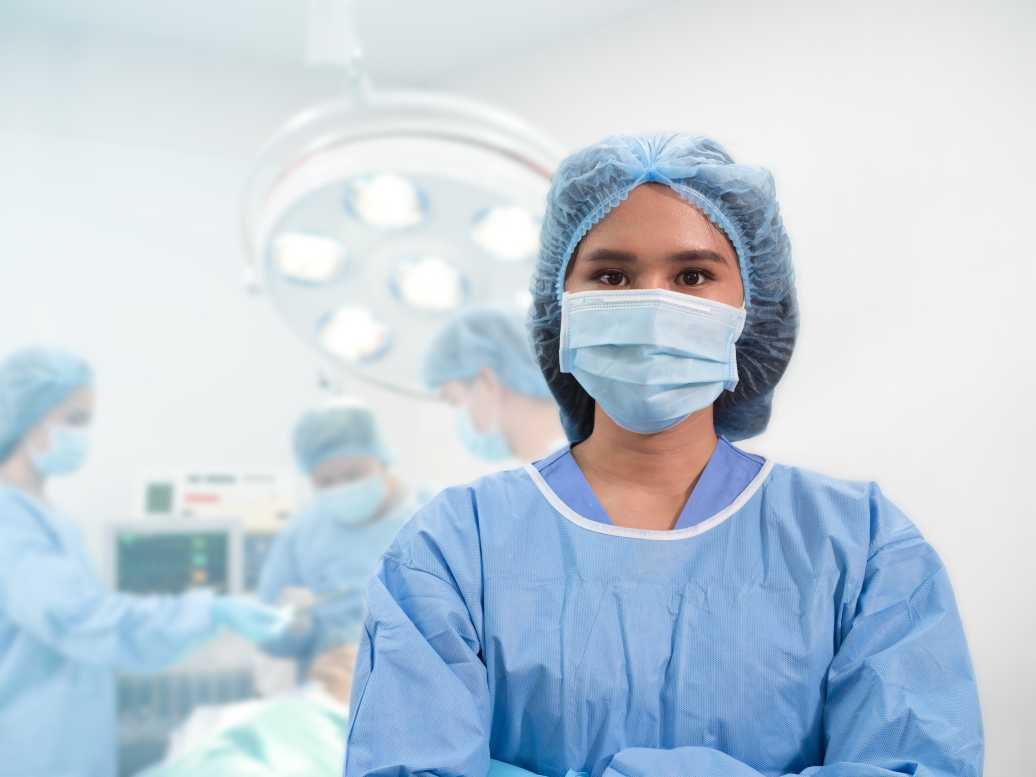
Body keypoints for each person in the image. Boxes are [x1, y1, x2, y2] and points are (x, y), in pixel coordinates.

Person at [343, 135, 984, 777]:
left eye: (693, 276)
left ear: (750, 306)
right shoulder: (455, 548)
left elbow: (915, 763)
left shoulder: (860, 546)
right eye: (612, 275)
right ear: (561, 307)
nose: (654, 303)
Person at [0, 347, 289, 777]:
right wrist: (210, 610)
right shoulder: (10, 520)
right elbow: (84, 619)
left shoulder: (47, 517)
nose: (83, 435)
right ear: (28, 417)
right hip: (31, 746)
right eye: (74, 419)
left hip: (68, 741)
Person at [257, 400, 426, 677]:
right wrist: (293, 623)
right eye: (326, 482)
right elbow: (269, 634)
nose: (341, 488)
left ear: (381, 460)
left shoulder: (434, 519)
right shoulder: (302, 535)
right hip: (333, 692)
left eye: (352, 474)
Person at [423, 307, 563, 461]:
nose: (460, 420)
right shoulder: (567, 454)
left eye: (453, 400)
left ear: (487, 381)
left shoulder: (578, 460)